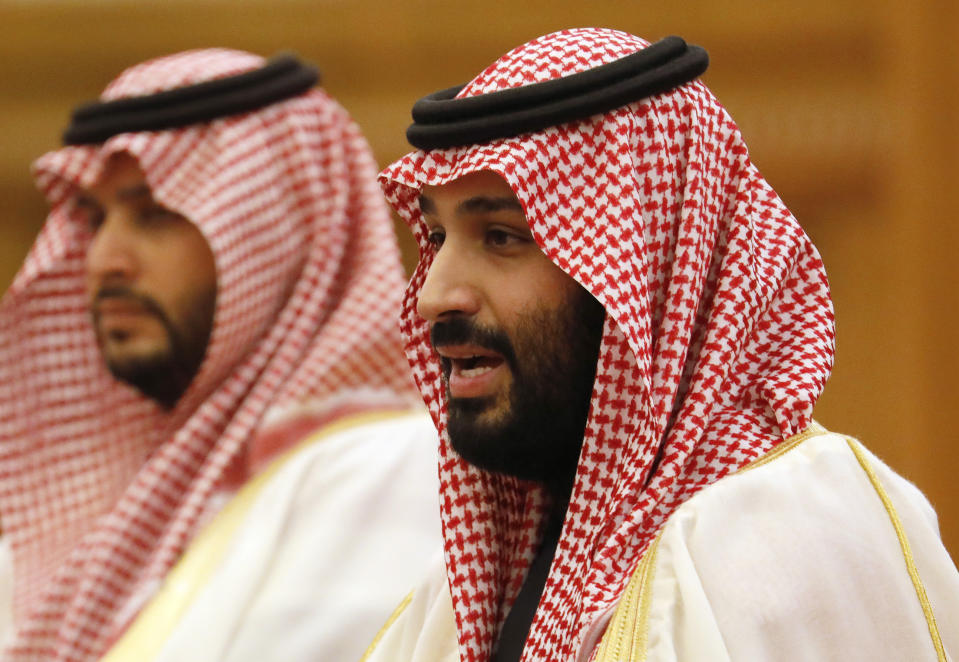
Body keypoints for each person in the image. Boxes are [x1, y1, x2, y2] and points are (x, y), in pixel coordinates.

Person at [365, 28, 959, 662]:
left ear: (650, 271)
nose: (433, 295)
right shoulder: (472, 596)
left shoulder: (784, 541)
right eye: (436, 236)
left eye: (504, 237)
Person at [0, 49, 442, 662]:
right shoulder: (89, 492)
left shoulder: (382, 468)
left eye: (155, 214)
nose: (104, 258)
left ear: (273, 234)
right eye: (94, 217)